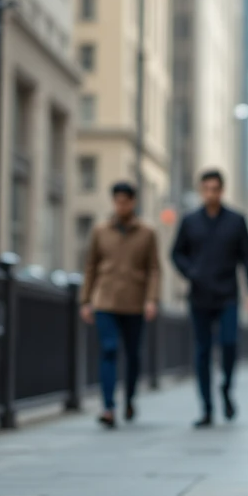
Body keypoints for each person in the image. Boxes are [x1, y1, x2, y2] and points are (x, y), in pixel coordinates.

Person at [171, 170, 248, 427]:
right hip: (199, 296)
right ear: (201, 191)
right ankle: (207, 408)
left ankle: (226, 387)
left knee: (230, 344)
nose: (211, 193)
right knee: (202, 352)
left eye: (215, 189)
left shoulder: (236, 220)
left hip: (227, 295)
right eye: (206, 188)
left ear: (221, 190)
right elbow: (176, 254)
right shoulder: (189, 221)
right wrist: (191, 272)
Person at [79, 181, 160, 428]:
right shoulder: (100, 231)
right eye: (117, 201)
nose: (121, 206)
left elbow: (154, 269)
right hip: (105, 300)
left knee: (133, 355)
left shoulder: (147, 233)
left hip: (135, 302)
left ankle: (130, 399)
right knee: (109, 349)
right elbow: (91, 265)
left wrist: (151, 299)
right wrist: (85, 299)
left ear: (133, 202)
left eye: (126, 201)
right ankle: (108, 406)